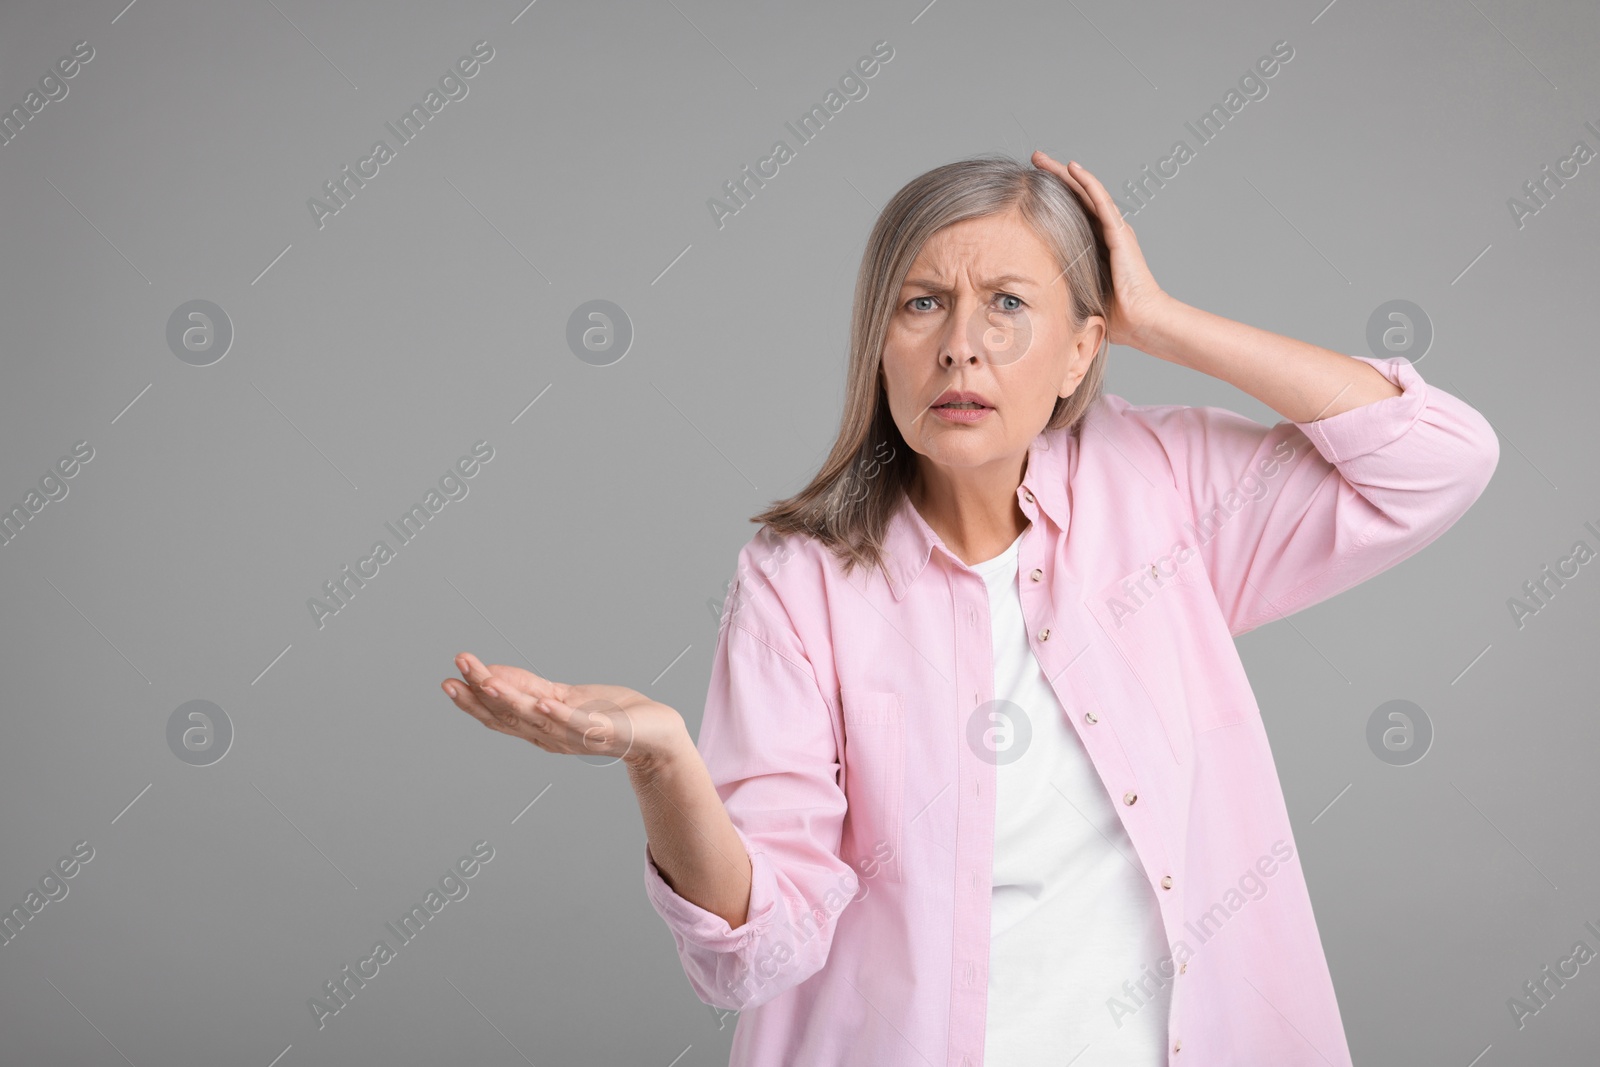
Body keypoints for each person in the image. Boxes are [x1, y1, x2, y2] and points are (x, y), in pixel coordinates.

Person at [440, 152, 1499, 1066]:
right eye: (922, 302)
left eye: (1007, 302)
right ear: (880, 341)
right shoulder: (799, 582)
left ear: (1080, 348)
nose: (961, 344)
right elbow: (758, 949)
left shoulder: (1156, 487)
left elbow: (1437, 462)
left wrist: (1163, 323)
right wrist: (664, 756)